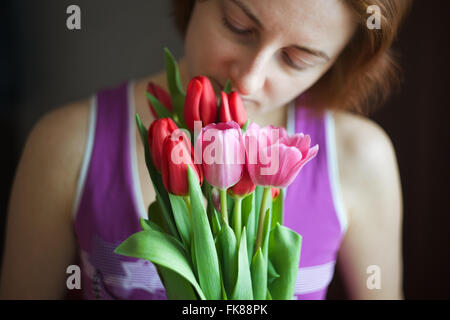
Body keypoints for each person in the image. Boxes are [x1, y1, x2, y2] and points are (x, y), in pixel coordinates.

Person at [0, 0, 412, 299]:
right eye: (238, 25)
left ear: (338, 60)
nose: (249, 81)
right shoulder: (67, 144)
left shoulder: (359, 158)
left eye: (296, 59)